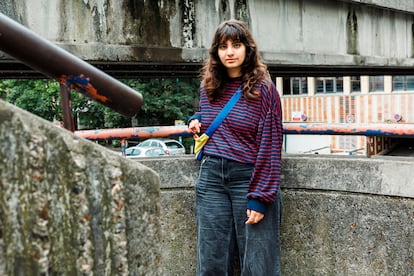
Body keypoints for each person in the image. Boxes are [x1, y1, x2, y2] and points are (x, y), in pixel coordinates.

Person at [187, 19, 283, 275]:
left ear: (247, 49)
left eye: (236, 45)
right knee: (211, 261)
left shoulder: (264, 90)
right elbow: (214, 115)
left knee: (258, 264)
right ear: (216, 52)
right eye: (223, 46)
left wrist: (260, 197)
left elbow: (271, 145)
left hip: (248, 179)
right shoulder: (208, 87)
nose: (229, 52)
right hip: (211, 179)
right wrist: (196, 118)